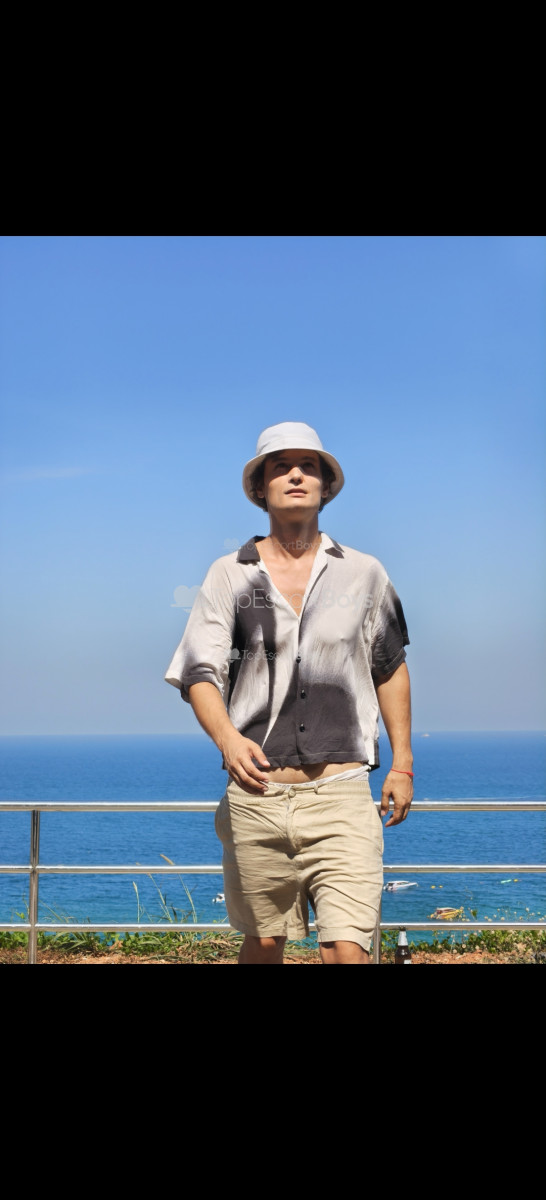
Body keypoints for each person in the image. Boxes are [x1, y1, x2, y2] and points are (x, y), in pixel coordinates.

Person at [165, 421, 413, 964]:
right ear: (261, 488)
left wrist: (403, 764)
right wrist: (228, 740)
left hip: (342, 794)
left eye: (308, 466)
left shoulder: (365, 573)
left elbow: (390, 667)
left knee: (347, 948)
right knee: (263, 944)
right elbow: (199, 673)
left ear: (325, 485)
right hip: (257, 797)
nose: (296, 474)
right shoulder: (229, 574)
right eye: (281, 466)